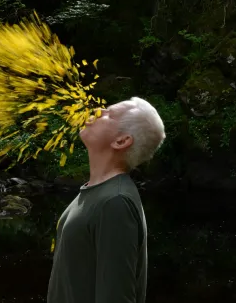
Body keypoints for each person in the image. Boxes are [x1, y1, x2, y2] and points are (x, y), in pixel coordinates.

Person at [46, 96, 166, 303]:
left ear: (121, 141)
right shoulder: (98, 192)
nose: (100, 110)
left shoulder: (116, 203)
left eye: (111, 114)